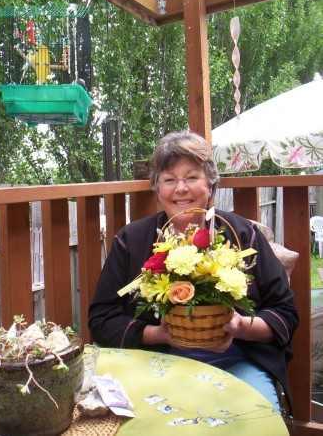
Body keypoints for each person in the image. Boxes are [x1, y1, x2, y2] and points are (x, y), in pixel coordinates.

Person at [88, 130, 299, 413]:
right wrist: (158, 335)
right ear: (157, 190)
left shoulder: (242, 235)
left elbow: (285, 312)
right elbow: (102, 319)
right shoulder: (131, 240)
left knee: (253, 420)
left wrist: (239, 327)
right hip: (154, 362)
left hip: (238, 361)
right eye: (169, 180)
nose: (181, 188)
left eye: (191, 177)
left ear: (210, 184)